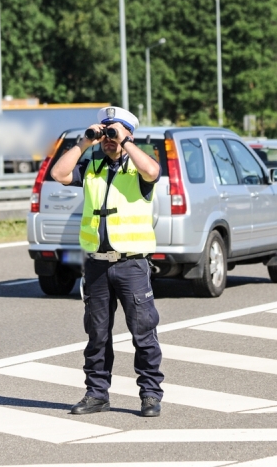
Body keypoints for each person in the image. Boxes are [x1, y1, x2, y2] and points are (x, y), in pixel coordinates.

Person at [50, 105, 164, 417]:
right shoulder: (91, 165)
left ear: (128, 133)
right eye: (106, 132)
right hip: (97, 265)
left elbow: (153, 171)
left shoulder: (137, 168)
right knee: (97, 334)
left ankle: (150, 395)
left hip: (131, 265)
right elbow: (58, 173)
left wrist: (125, 142)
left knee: (143, 332)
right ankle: (97, 394)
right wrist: (84, 142)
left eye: (114, 132)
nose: (108, 138)